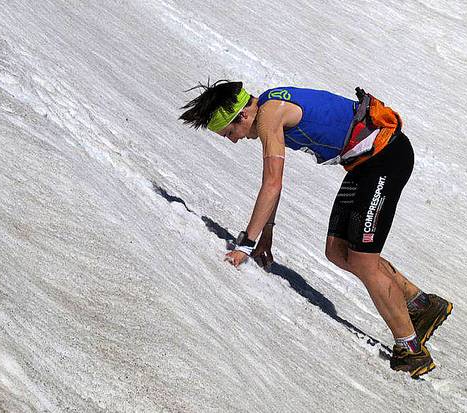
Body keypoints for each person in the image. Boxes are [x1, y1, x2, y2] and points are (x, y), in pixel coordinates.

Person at [179, 80, 452, 378]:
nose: (233, 140)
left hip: (385, 159)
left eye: (229, 133)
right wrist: (267, 230)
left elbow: (272, 183)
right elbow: (273, 184)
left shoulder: (270, 115)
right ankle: (422, 304)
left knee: (363, 259)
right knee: (337, 250)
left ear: (243, 116)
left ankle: (411, 350)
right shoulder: (270, 107)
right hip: (365, 164)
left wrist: (244, 245)